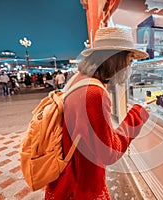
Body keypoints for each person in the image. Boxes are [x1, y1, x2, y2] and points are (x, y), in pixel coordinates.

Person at [45, 27, 149, 200]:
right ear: (117, 59)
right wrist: (137, 114)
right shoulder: (94, 93)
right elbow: (108, 152)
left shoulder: (79, 79)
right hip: (81, 184)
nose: (130, 65)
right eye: (129, 59)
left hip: (67, 175)